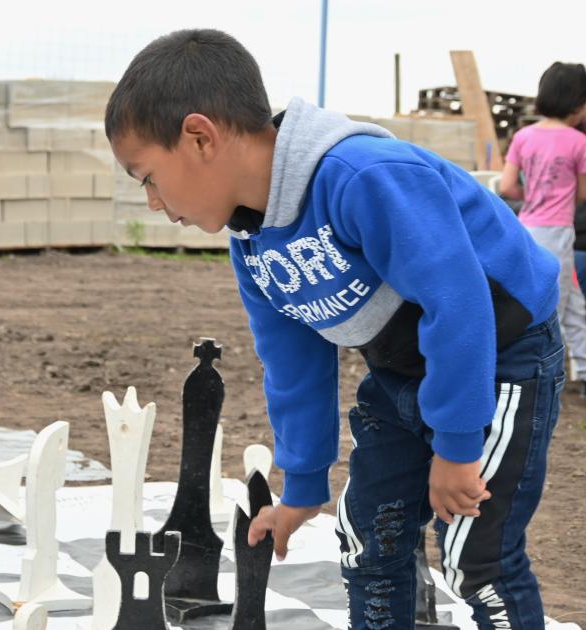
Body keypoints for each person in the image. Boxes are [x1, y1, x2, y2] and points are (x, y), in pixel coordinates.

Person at [105, 29, 562, 628]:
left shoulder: (363, 176)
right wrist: (302, 486)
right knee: (367, 538)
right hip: (402, 368)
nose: (154, 204)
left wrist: (455, 445)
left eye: (147, 178)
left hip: (501, 359)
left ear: (199, 137)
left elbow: (460, 305)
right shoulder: (252, 241)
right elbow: (292, 359)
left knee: (474, 558)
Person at [501, 62, 586, 389]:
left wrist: (531, 194)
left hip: (526, 229)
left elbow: (508, 186)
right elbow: (581, 193)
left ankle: (580, 363)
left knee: (571, 300)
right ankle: (545, 374)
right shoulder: (578, 142)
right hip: (559, 232)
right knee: (557, 305)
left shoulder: (523, 136)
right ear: (578, 103)